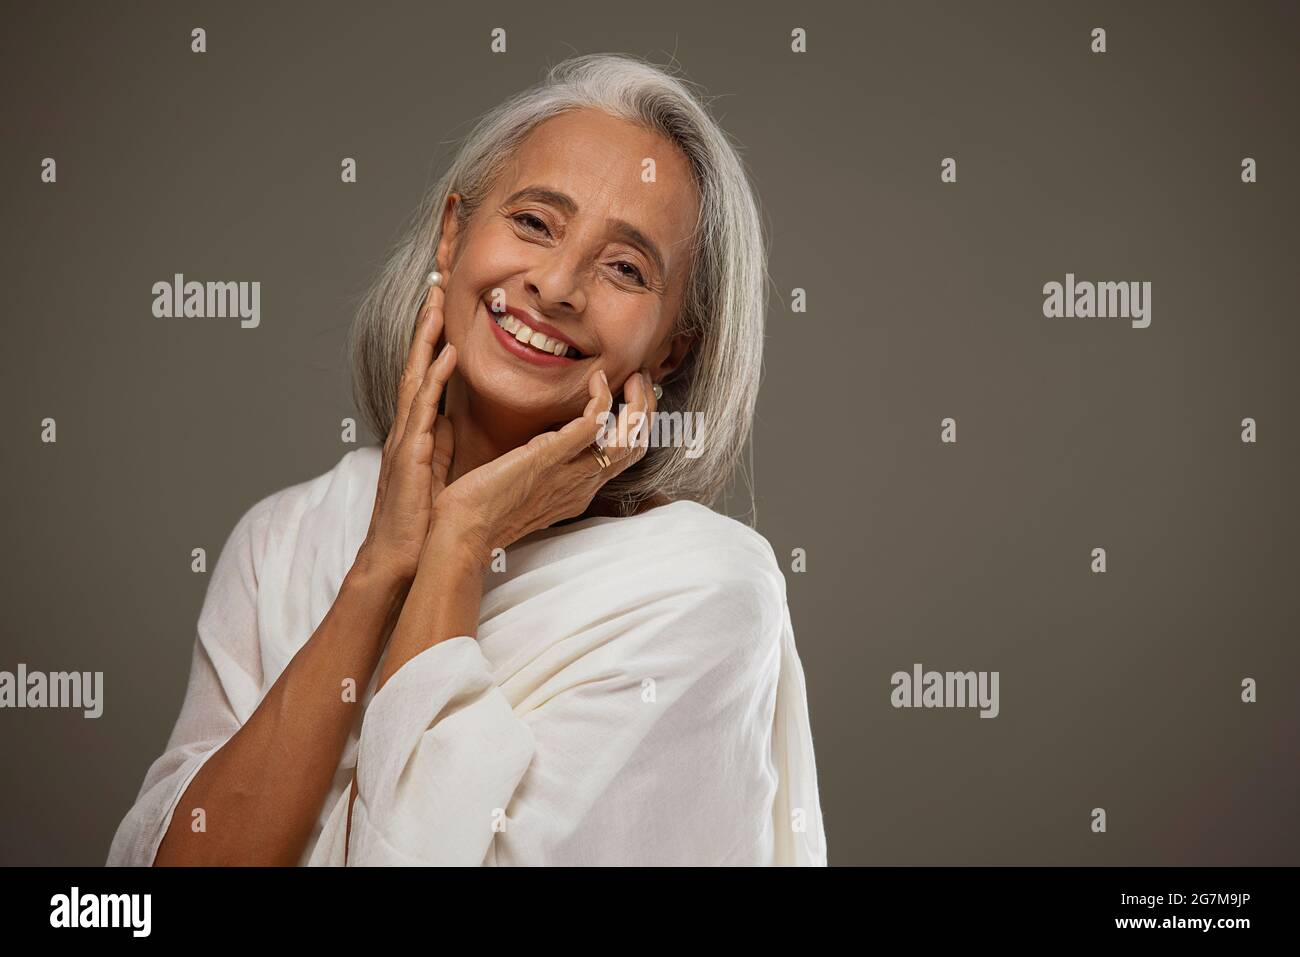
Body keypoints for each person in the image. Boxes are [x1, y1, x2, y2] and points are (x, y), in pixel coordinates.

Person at [107, 53, 826, 866]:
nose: (556, 285)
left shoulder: (705, 588)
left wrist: (462, 537)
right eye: (533, 222)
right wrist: (379, 572)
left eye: (624, 267)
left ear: (670, 351)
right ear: (454, 234)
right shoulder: (283, 536)